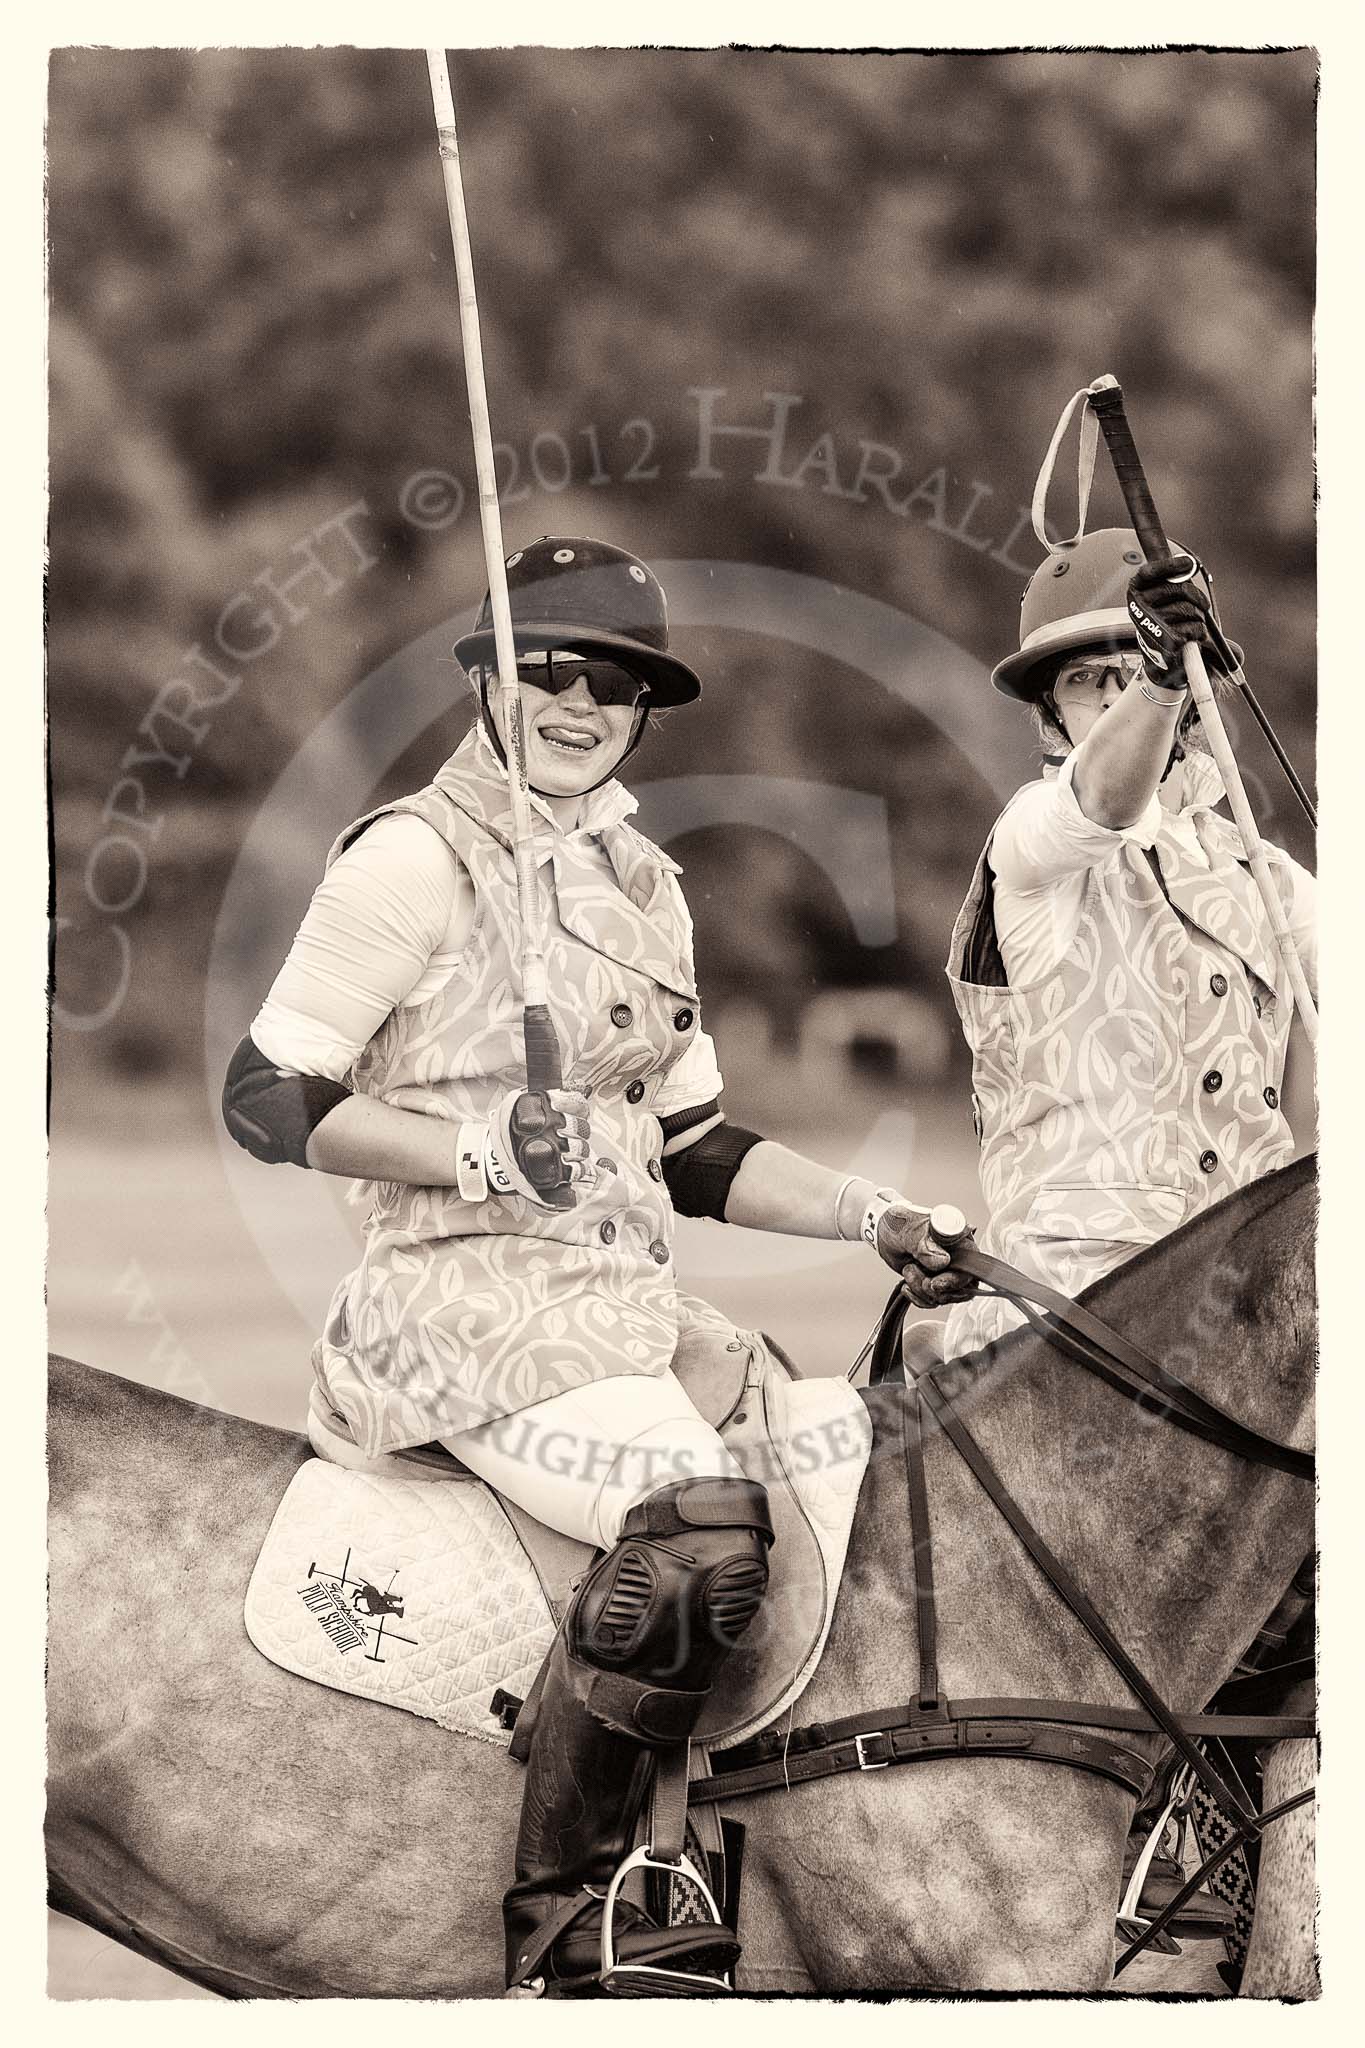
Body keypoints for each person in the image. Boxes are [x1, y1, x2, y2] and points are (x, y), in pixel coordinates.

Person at [222, 535, 973, 1997]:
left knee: (847, 1509)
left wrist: (870, 1215)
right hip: (458, 1310)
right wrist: (483, 1150)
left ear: (645, 711)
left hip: (626, 1314)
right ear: (488, 680)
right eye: (549, 669)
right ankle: (568, 1916)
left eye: (617, 682)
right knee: (702, 1530)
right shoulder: (412, 860)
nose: (581, 702)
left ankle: (757, 1852)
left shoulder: (645, 882)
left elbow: (692, 1146)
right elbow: (266, 1097)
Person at [941, 526, 1316, 1364]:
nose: (1113, 698)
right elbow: (1102, 805)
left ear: (1201, 693)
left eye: (1135, 672)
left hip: (1248, 1304)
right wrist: (1156, 677)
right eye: (1087, 681)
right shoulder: (1031, 831)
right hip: (1074, 1313)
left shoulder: (1266, 873)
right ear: (1048, 709)